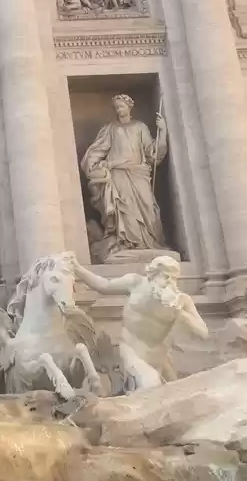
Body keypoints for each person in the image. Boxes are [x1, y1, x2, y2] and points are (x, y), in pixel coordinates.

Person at [72, 255, 208, 391]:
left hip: (160, 357)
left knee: (176, 394)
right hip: (132, 351)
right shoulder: (135, 283)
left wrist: (180, 313)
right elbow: (103, 285)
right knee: (151, 383)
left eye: (174, 278)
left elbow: (203, 333)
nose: (169, 282)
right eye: (165, 276)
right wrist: (77, 268)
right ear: (153, 274)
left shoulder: (182, 300)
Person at [80, 94, 167, 262]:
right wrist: (99, 166)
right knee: (123, 208)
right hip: (118, 174)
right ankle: (126, 243)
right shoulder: (110, 129)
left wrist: (162, 131)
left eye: (122, 107)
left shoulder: (140, 127)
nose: (119, 110)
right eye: (117, 108)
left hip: (138, 173)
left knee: (148, 206)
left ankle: (150, 243)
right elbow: (96, 152)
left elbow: (152, 153)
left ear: (129, 107)